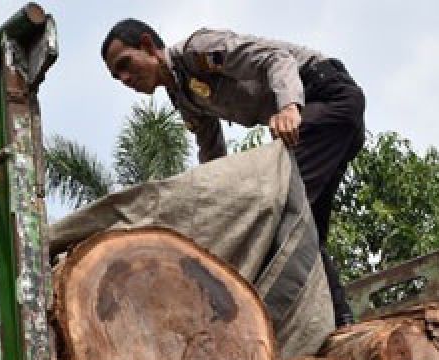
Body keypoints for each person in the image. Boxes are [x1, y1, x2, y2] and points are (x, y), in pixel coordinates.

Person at [101, 19, 364, 326]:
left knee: (276, 208)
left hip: (326, 97)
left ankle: (267, 322)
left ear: (147, 46)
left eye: (125, 64)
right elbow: (211, 151)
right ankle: (341, 320)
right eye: (116, 75)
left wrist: (290, 106)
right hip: (319, 121)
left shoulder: (199, 52)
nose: (124, 78)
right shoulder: (183, 98)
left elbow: (276, 58)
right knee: (305, 228)